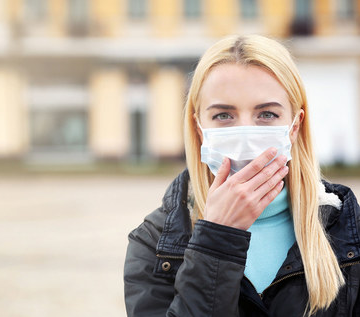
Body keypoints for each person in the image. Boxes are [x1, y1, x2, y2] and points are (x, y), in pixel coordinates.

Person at [123, 35, 360, 316]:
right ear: (199, 128)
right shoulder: (155, 242)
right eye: (224, 115)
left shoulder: (347, 231)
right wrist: (216, 238)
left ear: (294, 126)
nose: (246, 135)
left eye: (267, 114)